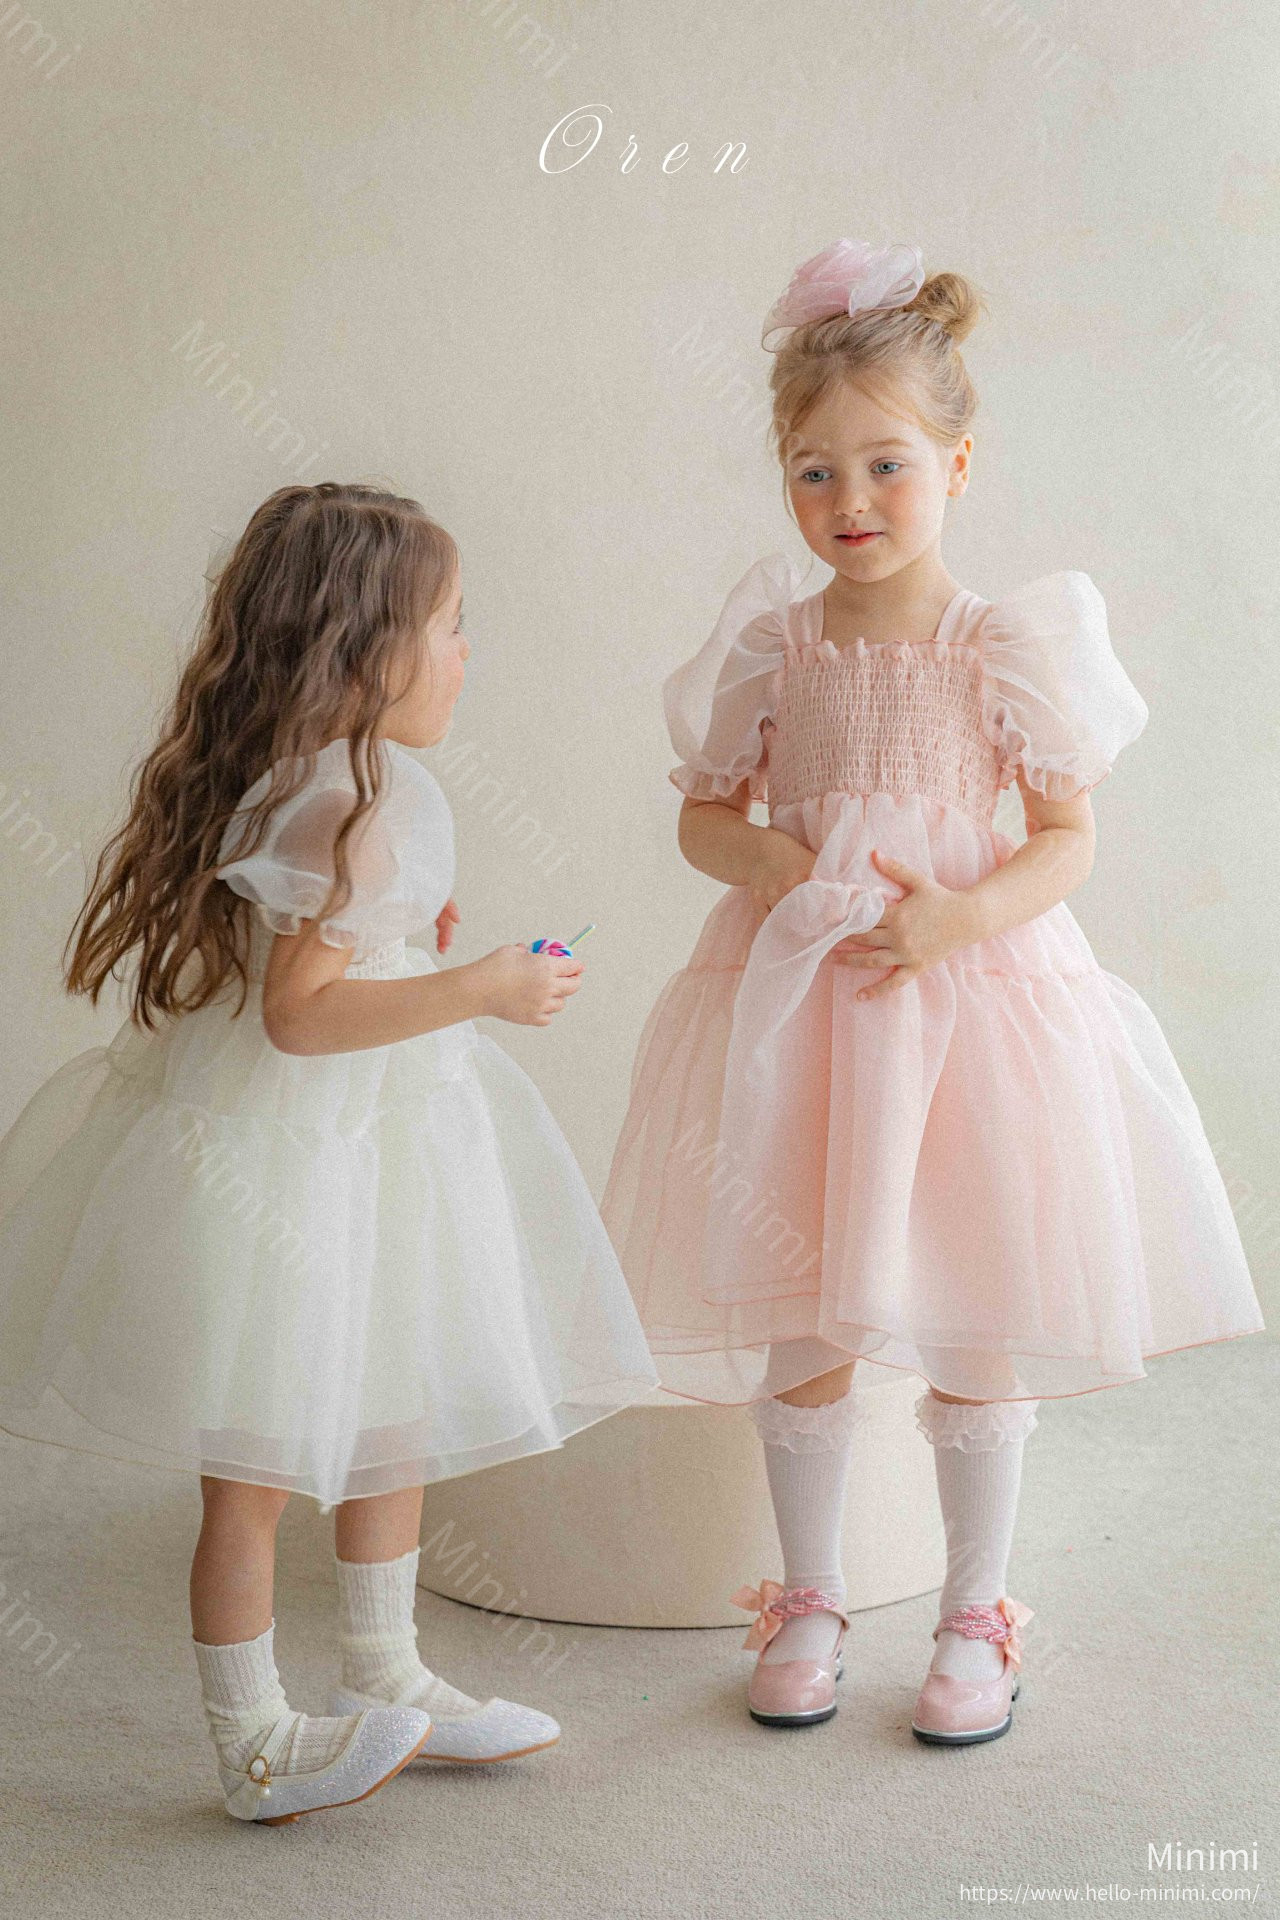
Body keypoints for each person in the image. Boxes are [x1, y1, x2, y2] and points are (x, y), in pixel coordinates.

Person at [600, 240, 1264, 1746]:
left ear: (959, 463)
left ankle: (977, 1610)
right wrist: (776, 865)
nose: (851, 501)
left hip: (965, 1009)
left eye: (886, 465)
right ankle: (811, 1594)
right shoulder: (776, 643)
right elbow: (703, 817)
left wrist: (958, 914)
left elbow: (1066, 837)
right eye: (814, 472)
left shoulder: (1000, 643)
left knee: (973, 1297)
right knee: (806, 1309)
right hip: (806, 1010)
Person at [0, 481, 661, 1821]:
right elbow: (298, 1017)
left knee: (389, 1410)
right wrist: (480, 986)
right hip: (305, 1159)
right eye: (452, 625)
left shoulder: (312, 775)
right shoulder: (360, 798)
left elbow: (313, 944)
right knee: (258, 1465)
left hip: (375, 1150)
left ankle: (384, 1669)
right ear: (364, 650)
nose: (469, 652)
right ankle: (251, 1739)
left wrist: (403, 933)